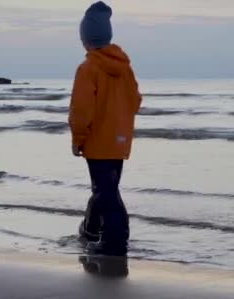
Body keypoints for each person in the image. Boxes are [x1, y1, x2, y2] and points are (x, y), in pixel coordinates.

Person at [69, 1, 142, 256]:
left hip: (98, 141)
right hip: (120, 140)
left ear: (86, 39)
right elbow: (136, 102)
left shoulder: (87, 69)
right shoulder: (124, 68)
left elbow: (81, 110)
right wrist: (119, 119)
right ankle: (90, 230)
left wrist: (78, 138)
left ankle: (115, 241)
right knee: (105, 188)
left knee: (105, 191)